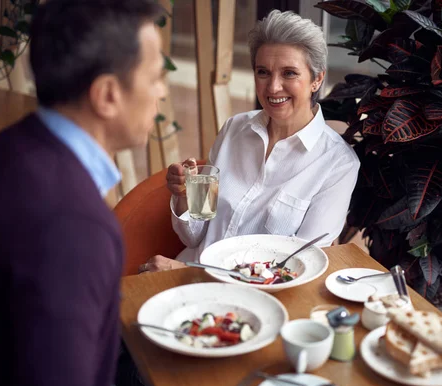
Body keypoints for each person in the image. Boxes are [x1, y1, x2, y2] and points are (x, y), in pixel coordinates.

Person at [0, 1, 166, 386]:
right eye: (154, 78)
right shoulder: (74, 228)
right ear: (107, 95)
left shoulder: (5, 148)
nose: (163, 92)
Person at [141, 10, 360, 273]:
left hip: (248, 296)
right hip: (186, 271)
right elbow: (194, 237)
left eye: (289, 73)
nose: (273, 87)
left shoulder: (338, 165)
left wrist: (186, 274)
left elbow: (295, 270)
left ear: (317, 79)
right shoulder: (234, 129)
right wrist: (184, 196)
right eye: (263, 72)